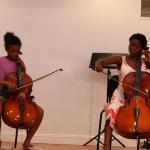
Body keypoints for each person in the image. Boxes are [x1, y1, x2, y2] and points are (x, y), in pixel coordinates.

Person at [95, 33, 150, 150]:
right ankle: (107, 147)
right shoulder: (121, 59)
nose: (132, 48)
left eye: (136, 47)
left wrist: (148, 57)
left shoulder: (145, 62)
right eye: (131, 45)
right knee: (110, 115)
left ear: (142, 49)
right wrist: (98, 64)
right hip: (120, 96)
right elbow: (101, 61)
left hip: (142, 98)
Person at [0, 32, 44, 150]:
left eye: (17, 51)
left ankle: (27, 142)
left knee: (40, 111)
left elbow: (24, 80)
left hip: (20, 94)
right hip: (3, 93)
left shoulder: (20, 63)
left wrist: (23, 67)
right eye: (12, 51)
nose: (15, 54)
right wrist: (5, 82)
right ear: (6, 49)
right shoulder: (1, 61)